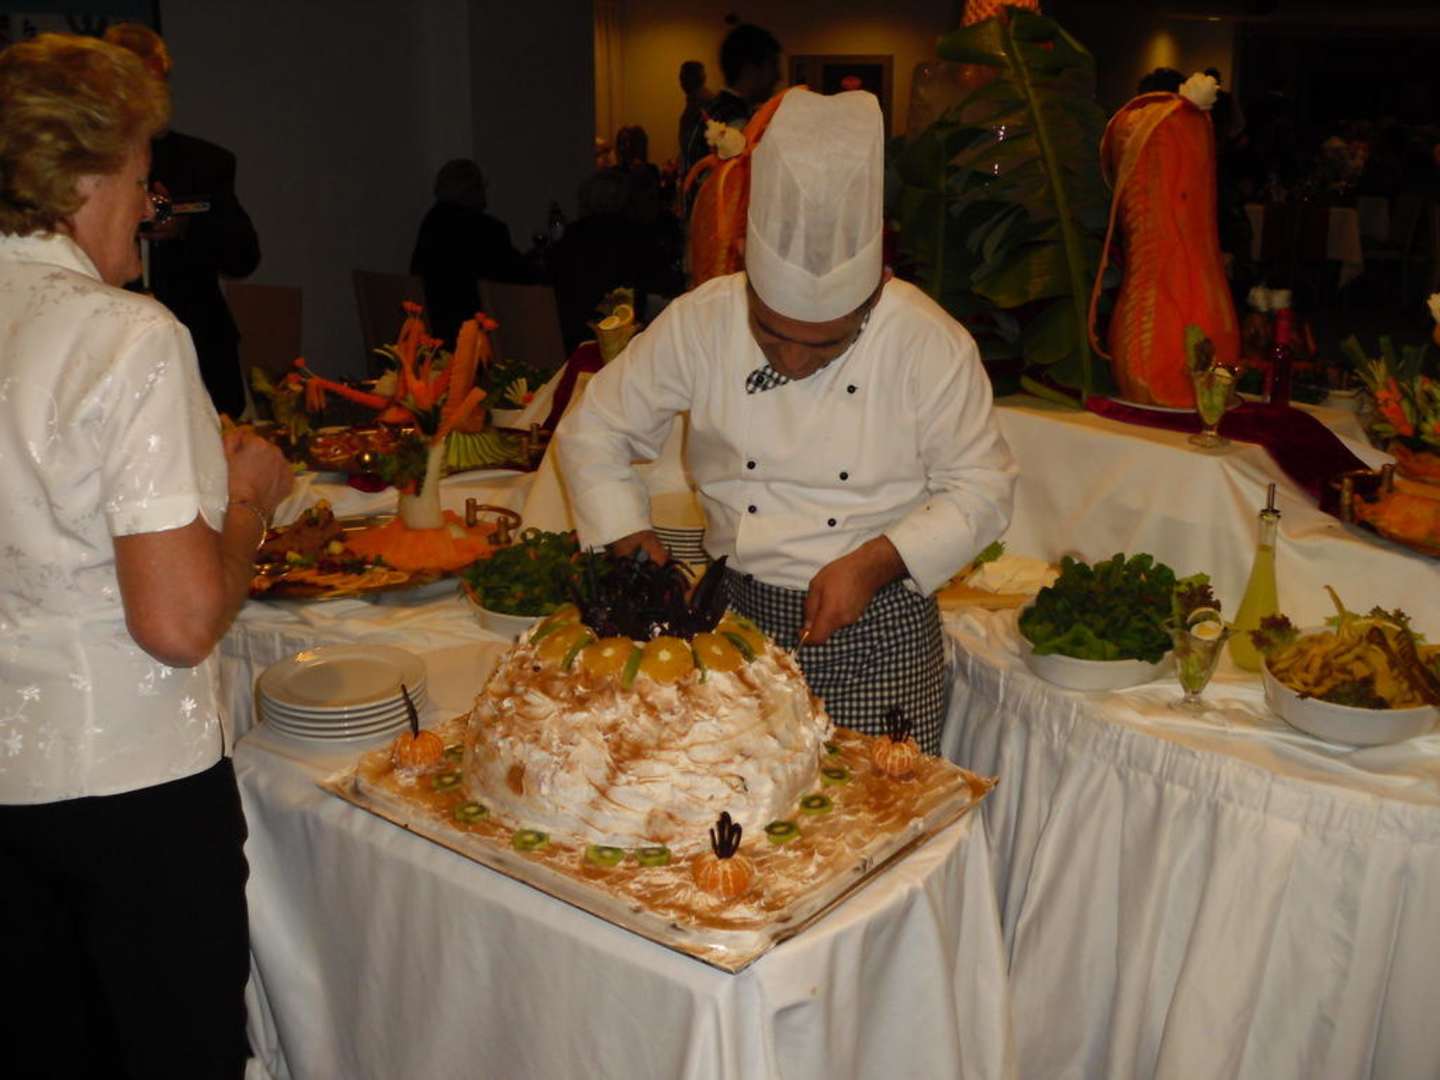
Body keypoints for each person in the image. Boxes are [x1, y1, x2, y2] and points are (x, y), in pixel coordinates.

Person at [0, 33, 293, 1078]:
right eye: (137, 176)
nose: (147, 202)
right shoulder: (127, 334)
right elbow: (176, 623)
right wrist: (248, 503)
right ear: (79, 178)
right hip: (124, 791)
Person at [556, 89, 1015, 754]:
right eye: (771, 335)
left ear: (874, 293)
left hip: (879, 634)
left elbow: (984, 489)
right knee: (734, 807)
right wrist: (628, 534)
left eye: (826, 345)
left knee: (874, 810)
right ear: (745, 266)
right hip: (732, 622)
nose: (794, 361)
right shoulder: (701, 321)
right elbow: (594, 428)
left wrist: (874, 563)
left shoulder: (927, 342)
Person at [104, 22, 262, 419]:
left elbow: (243, 257)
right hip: (113, 352)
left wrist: (185, 230)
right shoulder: (85, 164)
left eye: (157, 81)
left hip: (200, 349)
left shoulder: (205, 162)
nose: (150, 94)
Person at [411, 157, 528, 347]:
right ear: (473, 190)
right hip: (473, 339)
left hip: (435, 335)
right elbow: (518, 275)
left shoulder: (431, 225)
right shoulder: (486, 230)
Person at [708, 22, 782, 129]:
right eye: (773, 65)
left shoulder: (712, 109)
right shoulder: (737, 123)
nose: (779, 76)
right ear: (749, 69)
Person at [677, 59, 713, 188]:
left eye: (684, 77)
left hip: (702, 177)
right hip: (696, 174)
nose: (681, 81)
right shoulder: (695, 102)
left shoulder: (705, 104)